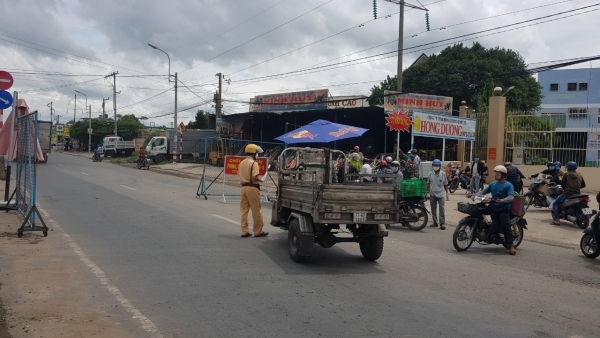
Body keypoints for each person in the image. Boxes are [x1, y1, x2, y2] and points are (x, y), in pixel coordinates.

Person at [472, 165, 517, 255]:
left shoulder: (508, 185)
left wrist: (503, 200)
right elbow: (483, 192)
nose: (495, 175)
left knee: (506, 226)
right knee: (478, 211)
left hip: (503, 209)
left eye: (498, 173)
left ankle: (511, 245)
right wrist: (474, 194)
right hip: (493, 206)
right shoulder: (493, 184)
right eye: (495, 173)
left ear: (503, 175)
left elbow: (511, 197)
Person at [238, 144, 268, 238]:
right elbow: (254, 177)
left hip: (243, 188)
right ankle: (258, 231)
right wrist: (261, 180)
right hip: (252, 188)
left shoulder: (242, 162)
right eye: (257, 153)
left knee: (244, 211)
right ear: (254, 153)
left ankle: (244, 231)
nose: (258, 155)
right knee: (256, 211)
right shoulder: (253, 163)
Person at [552, 161, 586, 225]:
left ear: (568, 167)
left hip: (568, 194)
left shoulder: (566, 174)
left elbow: (563, 184)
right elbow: (583, 185)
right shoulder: (579, 174)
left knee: (555, 204)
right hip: (577, 193)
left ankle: (557, 220)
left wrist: (565, 189)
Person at [427, 159, 449, 230]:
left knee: (441, 209)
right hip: (433, 194)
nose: (435, 167)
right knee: (433, 209)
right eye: (434, 165)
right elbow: (428, 184)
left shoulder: (443, 174)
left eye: (436, 165)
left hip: (441, 194)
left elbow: (445, 184)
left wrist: (447, 193)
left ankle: (442, 223)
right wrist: (427, 192)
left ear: (439, 166)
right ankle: (435, 222)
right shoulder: (430, 174)